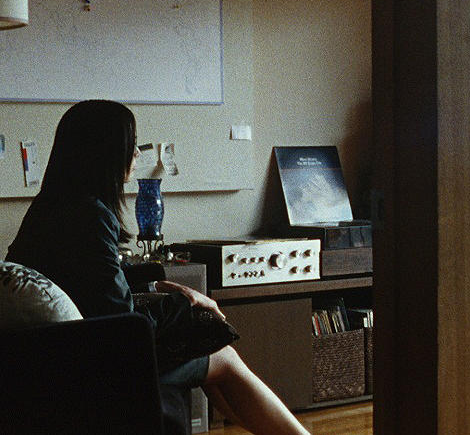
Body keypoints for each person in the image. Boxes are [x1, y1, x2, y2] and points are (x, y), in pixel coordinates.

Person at [6, 100, 310, 435]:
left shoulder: (49, 207)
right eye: (131, 144)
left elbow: (95, 289)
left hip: (56, 356)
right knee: (224, 356)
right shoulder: (91, 216)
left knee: (218, 361)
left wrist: (162, 289)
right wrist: (188, 307)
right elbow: (120, 318)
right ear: (106, 152)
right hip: (98, 363)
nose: (137, 153)